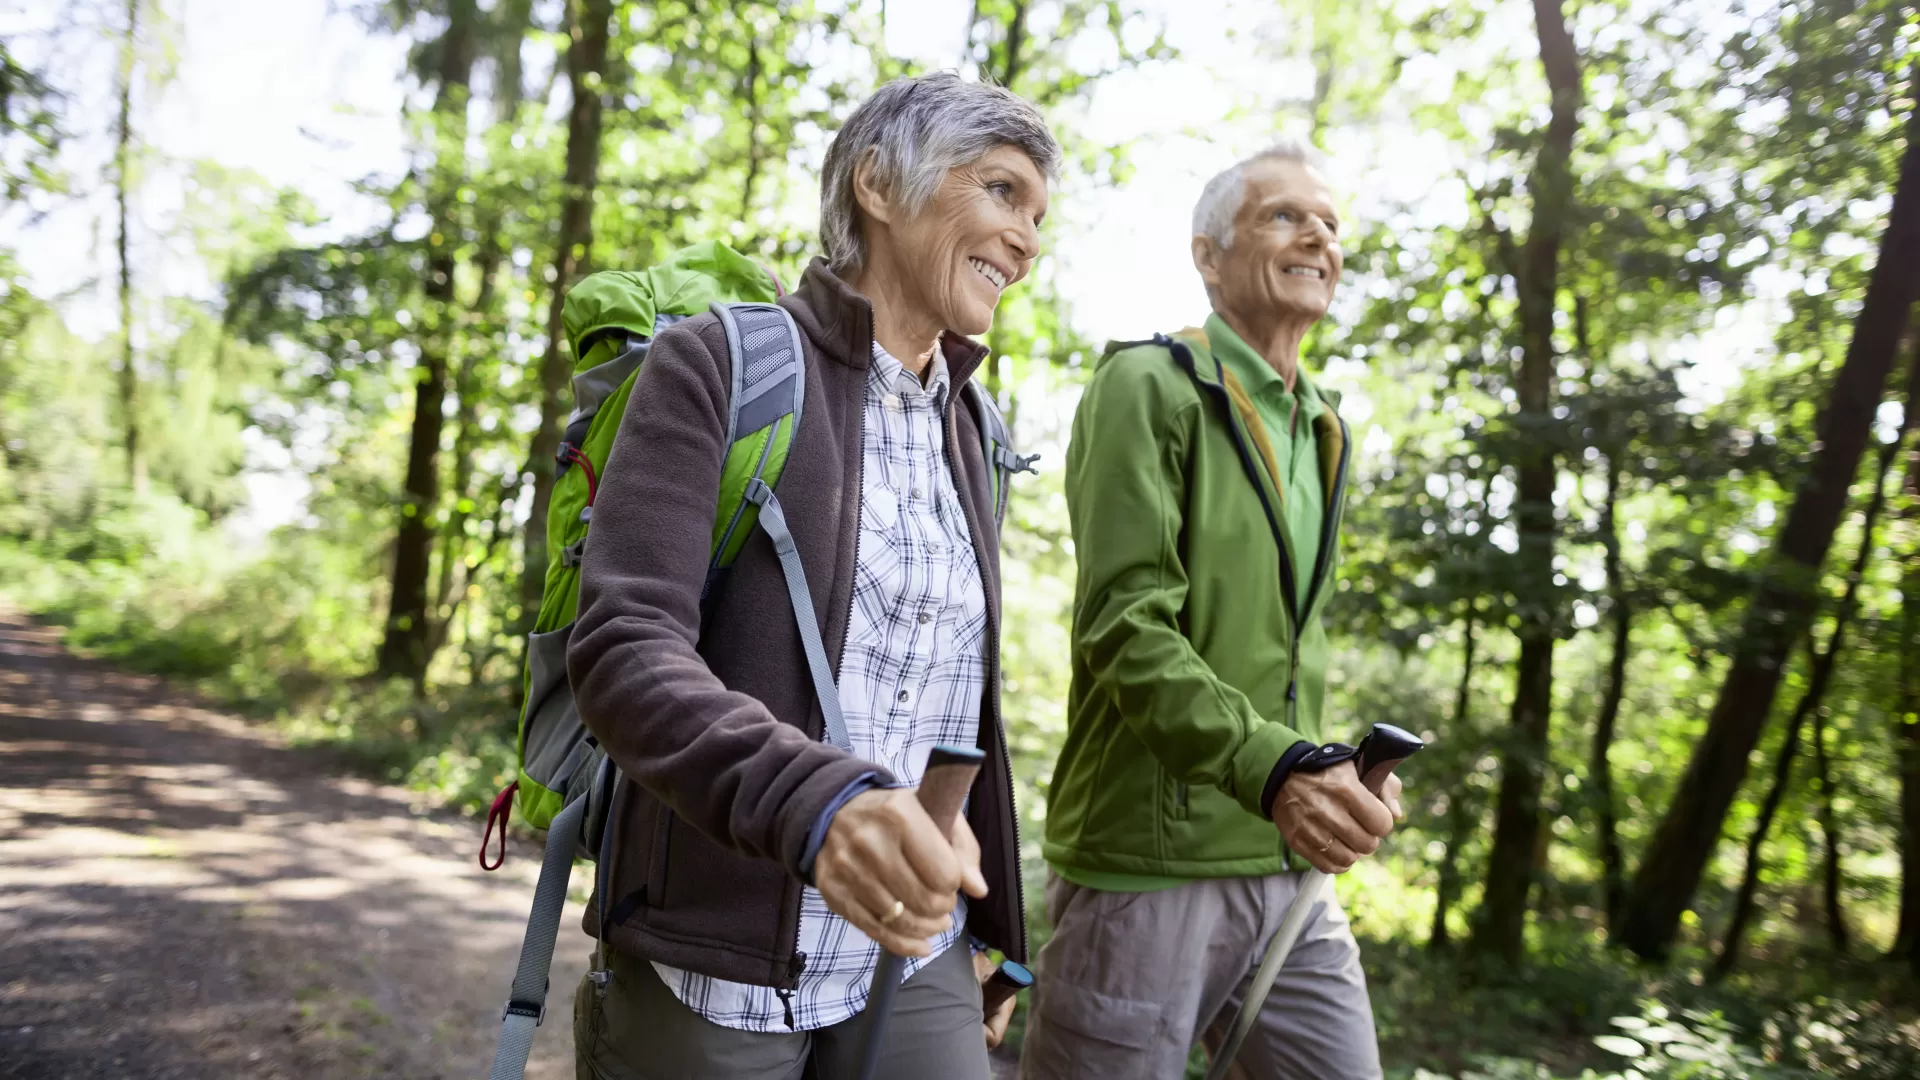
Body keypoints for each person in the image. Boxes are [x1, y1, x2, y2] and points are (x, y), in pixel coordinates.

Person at [564, 72, 1058, 1080]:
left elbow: (967, 704)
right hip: (719, 959)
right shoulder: (722, 365)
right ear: (877, 184)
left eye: (1039, 215)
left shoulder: (974, 430)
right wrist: (823, 807)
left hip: (917, 954)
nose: (1028, 239)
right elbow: (623, 651)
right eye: (1001, 192)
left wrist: (997, 928)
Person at [1019, 139, 1404, 1080]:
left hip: (1288, 863)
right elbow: (1127, 626)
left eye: (1329, 222)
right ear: (1207, 254)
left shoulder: (1325, 423)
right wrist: (1276, 769)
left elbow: (1277, 646)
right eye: (1283, 215)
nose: (1317, 232)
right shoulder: (1148, 385)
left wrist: (1333, 776)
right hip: (1148, 868)